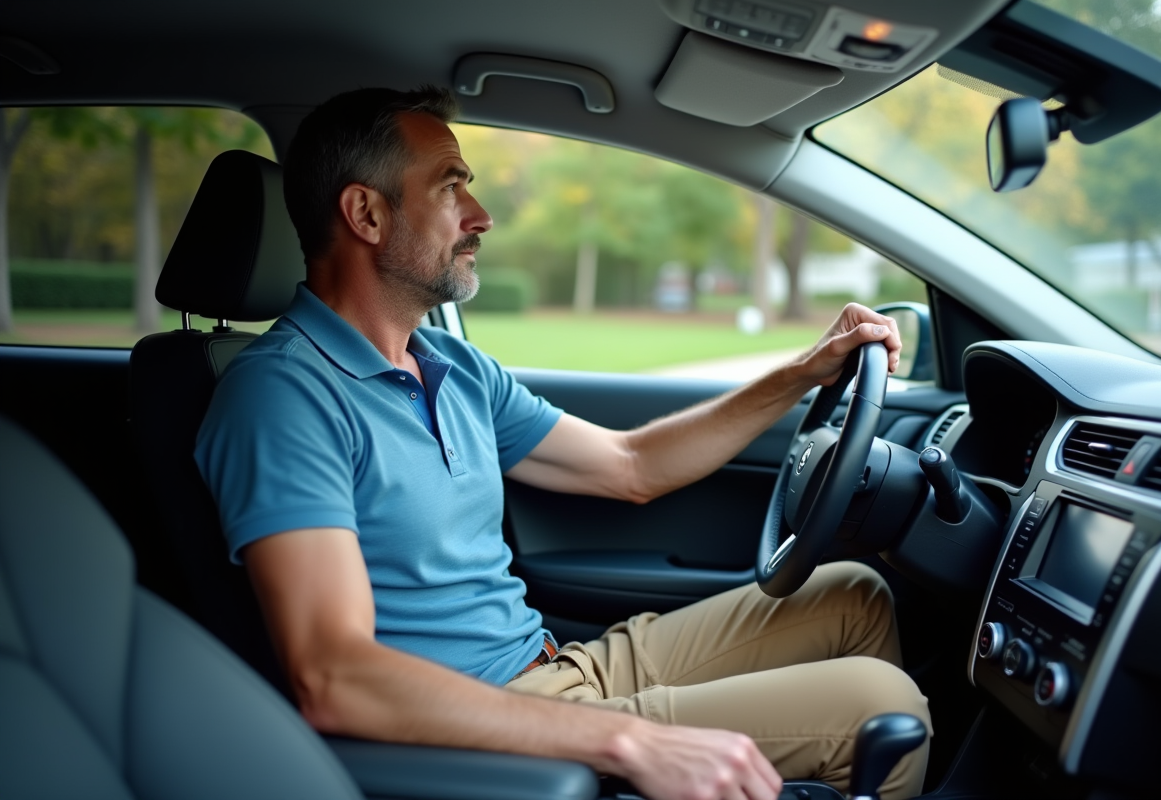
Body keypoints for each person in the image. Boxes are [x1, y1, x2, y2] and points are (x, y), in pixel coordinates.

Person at [195, 86, 931, 800]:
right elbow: (334, 677)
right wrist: (629, 743)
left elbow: (630, 465)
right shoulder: (283, 396)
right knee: (876, 705)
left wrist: (801, 373)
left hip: (557, 667)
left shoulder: (452, 366)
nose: (481, 217)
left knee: (853, 597)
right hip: (481, 725)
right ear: (366, 214)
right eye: (451, 189)